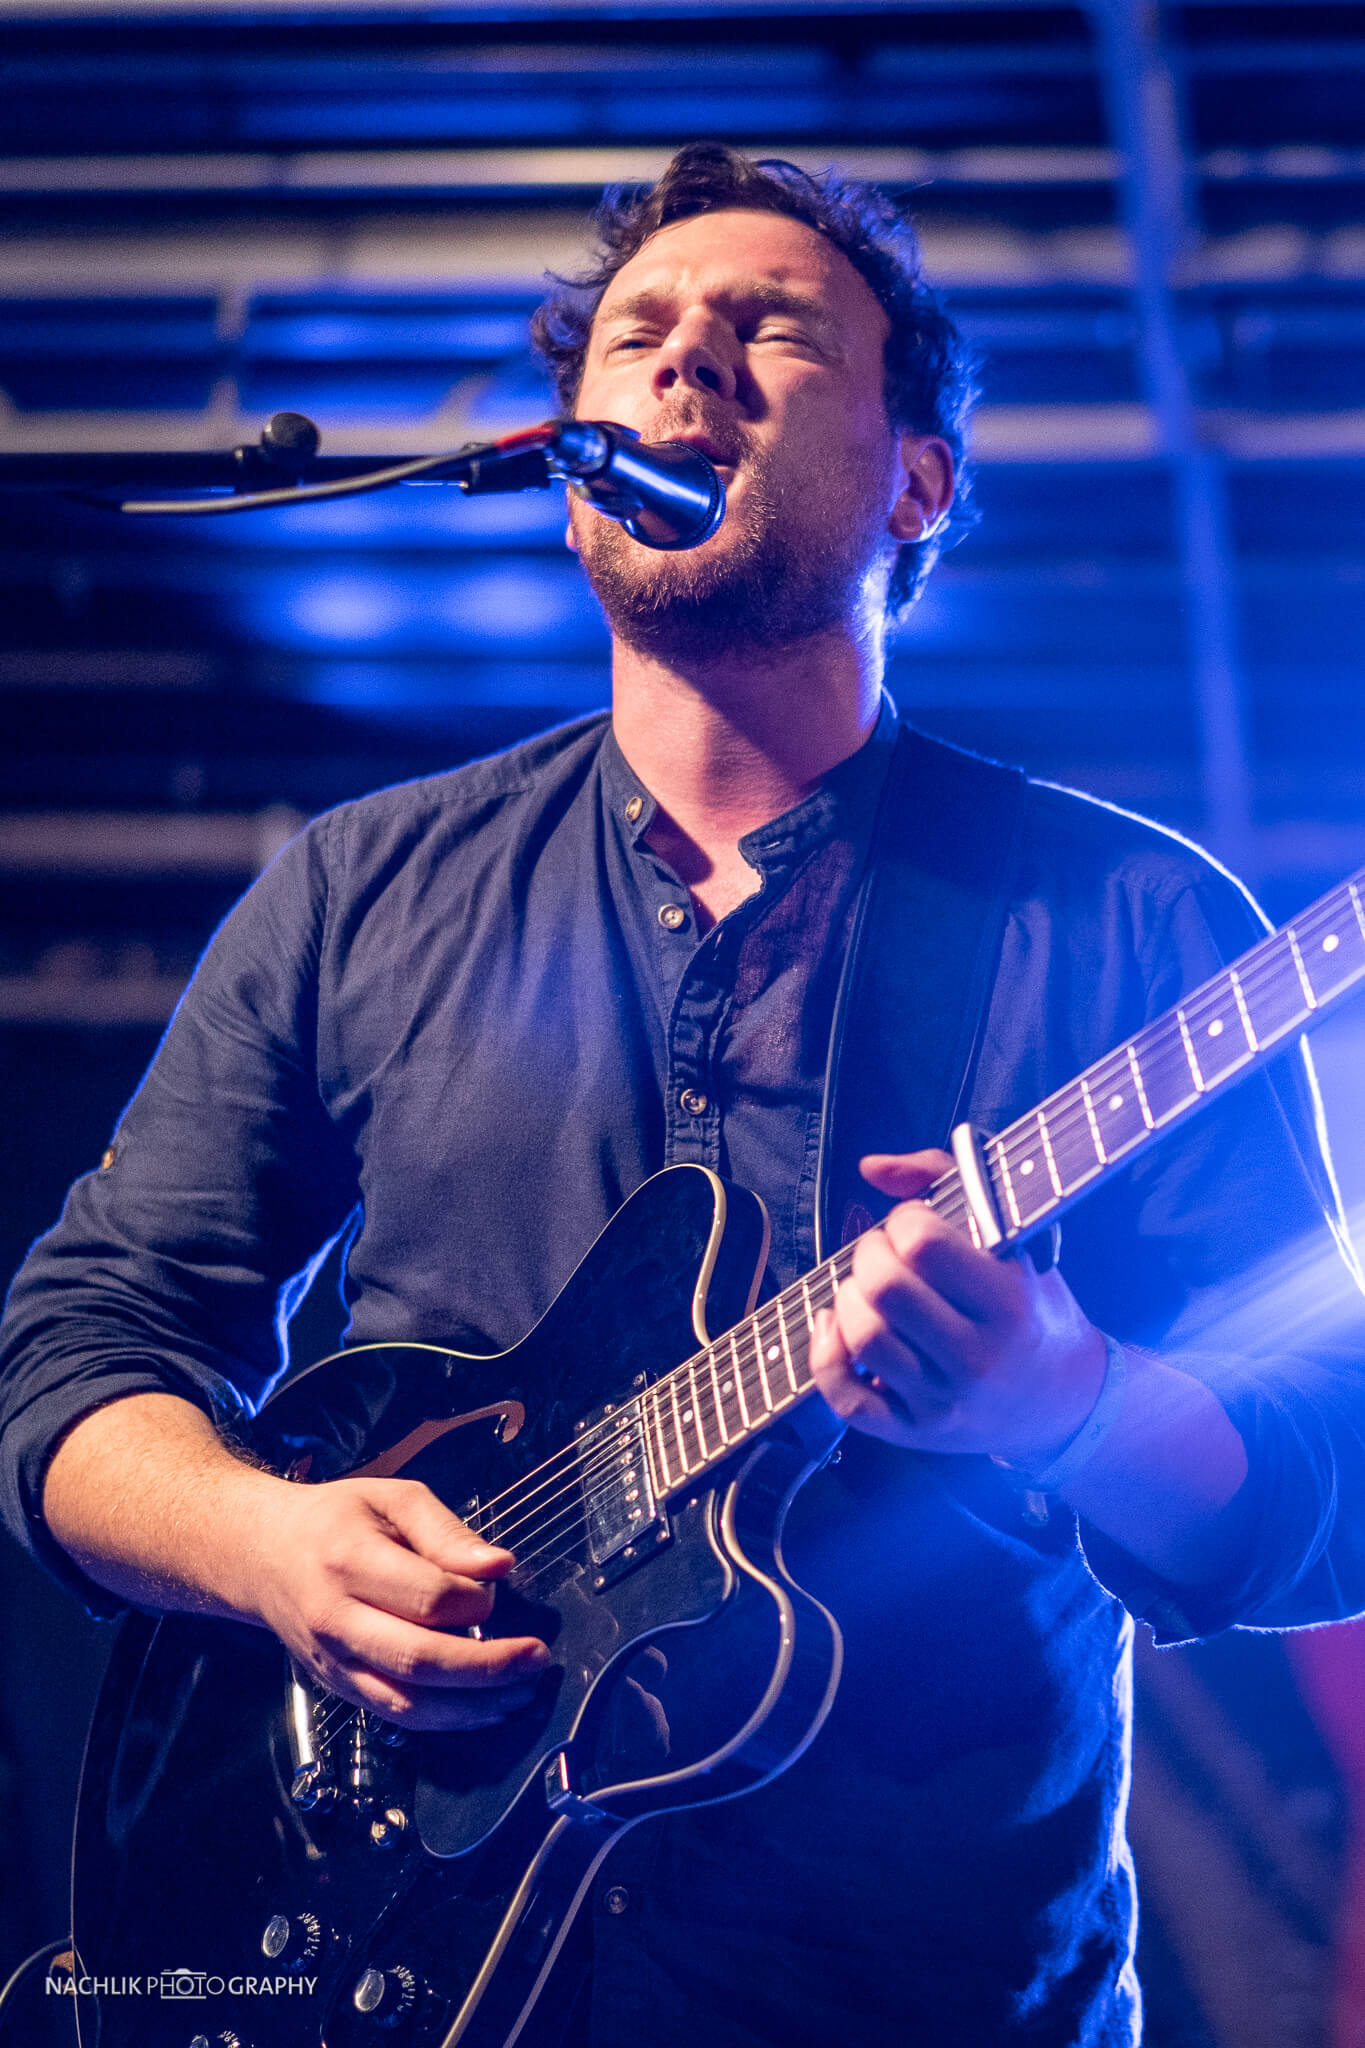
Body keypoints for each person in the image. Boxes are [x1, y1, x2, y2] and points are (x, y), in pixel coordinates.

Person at [3, 142, 1365, 2048]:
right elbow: (80, 1349)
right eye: (637, 332)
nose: (685, 357)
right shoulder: (361, 890)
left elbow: (1326, 1485)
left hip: (923, 1995)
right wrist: (264, 1544)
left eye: (771, 329)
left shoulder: (1128, 920)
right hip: (394, 1964)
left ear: (917, 482)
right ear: (574, 468)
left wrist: (1064, 1399)